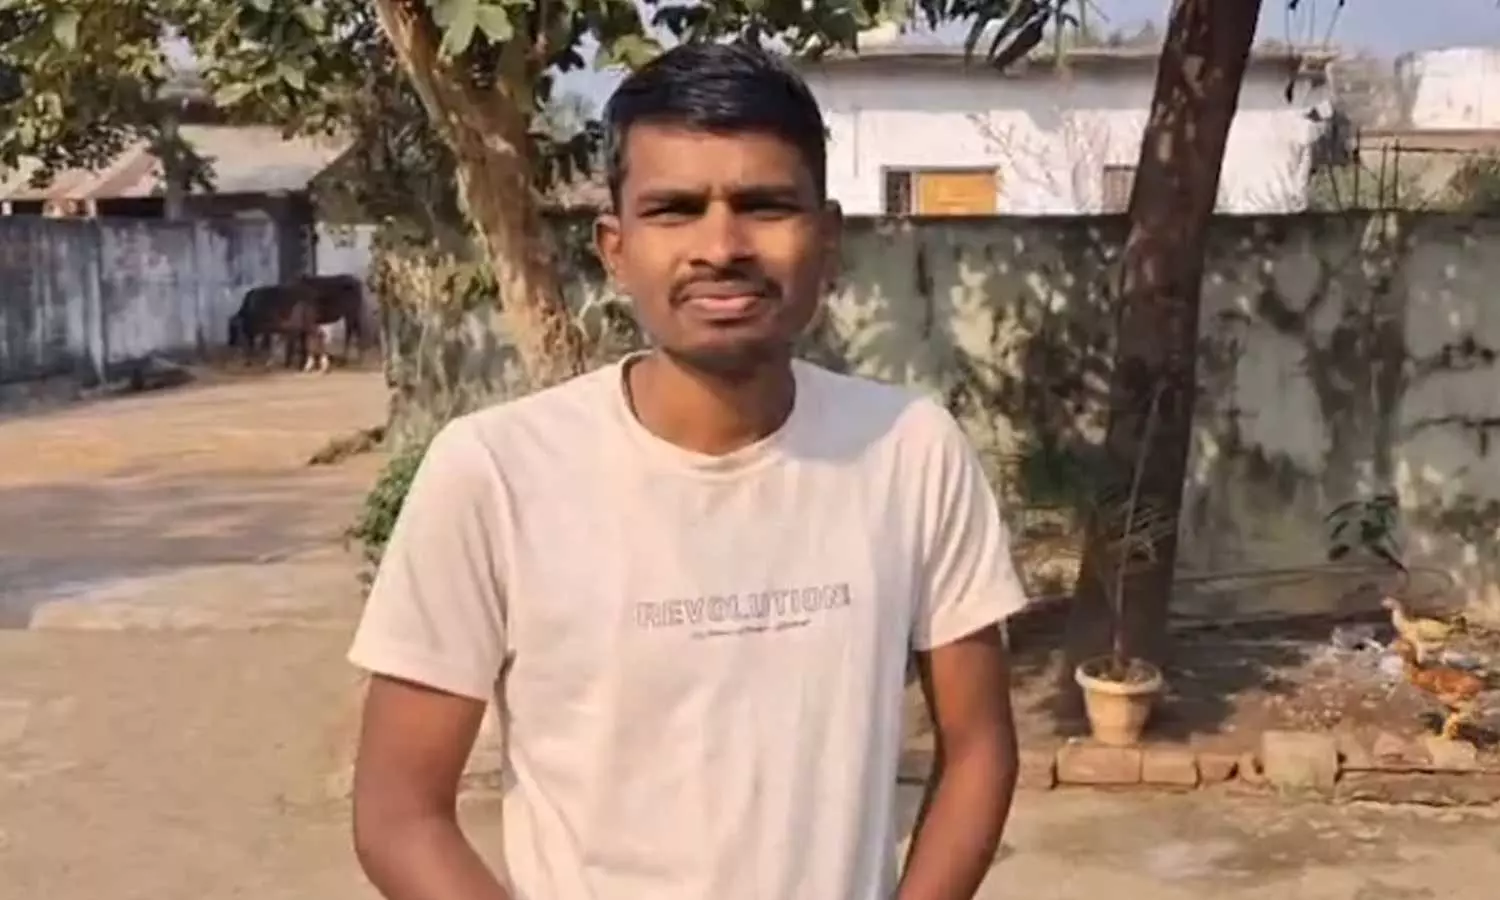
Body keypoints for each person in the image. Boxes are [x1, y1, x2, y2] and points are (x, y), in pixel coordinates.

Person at [347, 40, 1026, 900]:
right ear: (615, 248)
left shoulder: (910, 452)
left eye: (765, 205)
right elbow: (399, 813)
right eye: (674, 210)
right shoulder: (495, 473)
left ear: (827, 240)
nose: (721, 246)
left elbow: (979, 748)